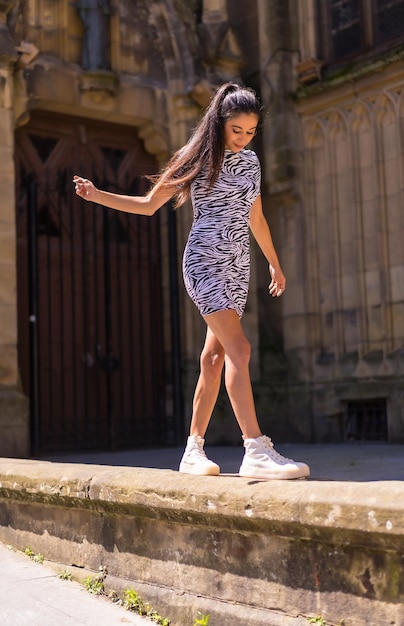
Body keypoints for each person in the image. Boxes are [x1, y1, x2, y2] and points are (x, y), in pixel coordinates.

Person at [74, 82, 310, 480]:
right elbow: (150, 206)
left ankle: (192, 451)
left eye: (251, 132)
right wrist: (98, 195)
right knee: (240, 348)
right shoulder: (196, 157)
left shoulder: (251, 163)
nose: (243, 138)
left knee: (214, 359)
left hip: (238, 266)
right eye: (237, 130)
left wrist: (274, 264)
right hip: (204, 262)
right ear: (220, 123)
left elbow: (256, 217)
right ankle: (255, 448)